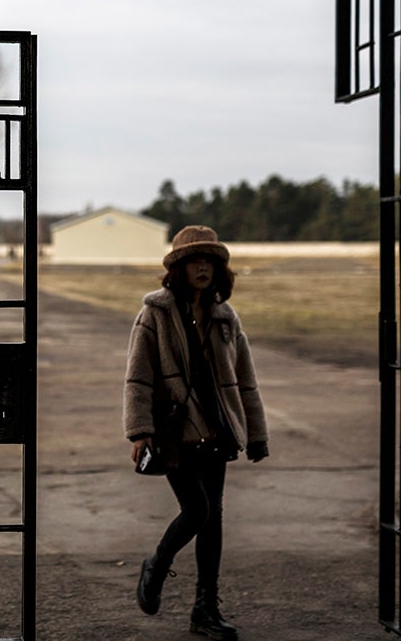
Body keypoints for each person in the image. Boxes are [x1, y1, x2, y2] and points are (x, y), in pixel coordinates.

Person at [123, 225, 269, 641]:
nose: (203, 267)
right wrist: (139, 431)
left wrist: (256, 434)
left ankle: (204, 609)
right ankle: (156, 563)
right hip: (175, 432)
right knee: (198, 509)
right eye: (194, 260)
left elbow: (246, 380)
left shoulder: (226, 317)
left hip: (218, 432)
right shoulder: (155, 313)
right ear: (179, 267)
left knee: (212, 518)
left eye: (210, 260)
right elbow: (138, 377)